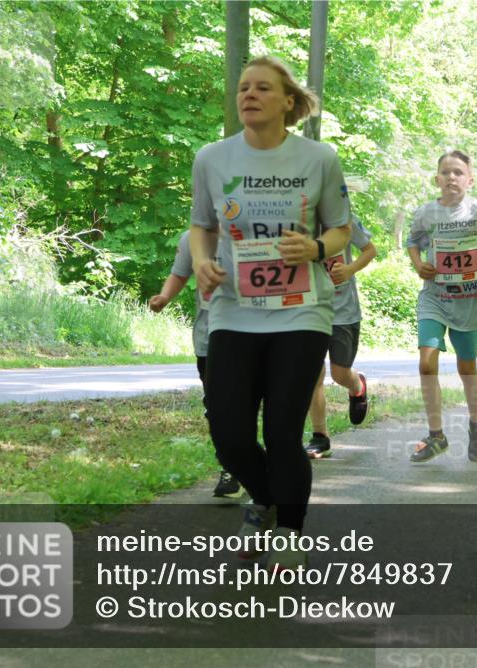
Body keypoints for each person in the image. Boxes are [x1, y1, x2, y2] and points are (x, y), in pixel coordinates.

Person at [189, 55, 352, 572]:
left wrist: (316, 248)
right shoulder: (211, 158)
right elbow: (201, 226)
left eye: (262, 88)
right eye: (243, 87)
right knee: (228, 431)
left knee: (282, 431)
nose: (249, 95)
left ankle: (288, 529)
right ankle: (266, 495)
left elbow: (342, 229)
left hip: (302, 311)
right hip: (234, 311)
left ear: (289, 102)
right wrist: (201, 263)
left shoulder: (319, 158)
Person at [407, 150, 477, 463]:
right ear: (436, 179)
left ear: (470, 180)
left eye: (458, 172)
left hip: (468, 299)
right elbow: (413, 242)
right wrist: (419, 264)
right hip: (435, 296)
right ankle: (436, 435)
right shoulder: (426, 212)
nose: (451, 177)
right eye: (445, 172)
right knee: (426, 363)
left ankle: (476, 423)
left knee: (466, 367)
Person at [149, 231, 246, 501]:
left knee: (241, 402)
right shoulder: (191, 239)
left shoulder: (246, 231)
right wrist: (165, 297)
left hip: (248, 327)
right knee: (216, 406)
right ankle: (232, 465)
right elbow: (179, 274)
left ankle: (239, 466)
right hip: (208, 333)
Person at [304, 209, 377, 458]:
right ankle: (320, 436)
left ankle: (357, 385)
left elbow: (370, 250)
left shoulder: (343, 219)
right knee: (313, 372)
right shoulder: (296, 220)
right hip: (309, 310)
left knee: (339, 373)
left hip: (343, 311)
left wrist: (349, 269)